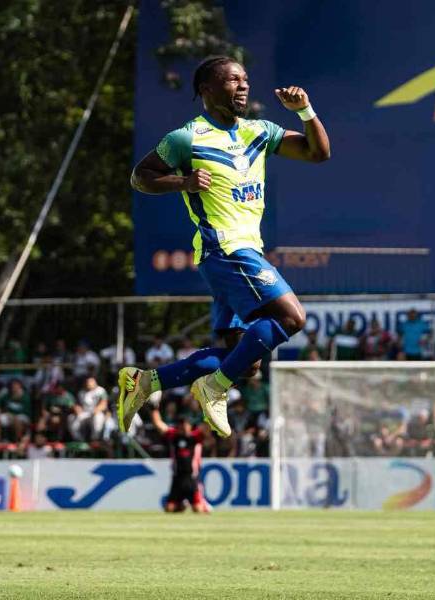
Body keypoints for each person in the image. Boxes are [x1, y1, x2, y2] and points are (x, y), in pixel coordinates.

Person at [118, 55, 329, 437]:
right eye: (233, 80)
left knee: (244, 362)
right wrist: (182, 182)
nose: (243, 86)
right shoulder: (187, 138)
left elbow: (318, 153)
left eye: (245, 79)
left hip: (241, 252)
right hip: (226, 250)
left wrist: (305, 111)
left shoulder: (259, 131)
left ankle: (145, 382)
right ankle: (213, 387)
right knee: (292, 319)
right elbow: (141, 177)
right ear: (206, 89)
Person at [151, 409, 210, 513]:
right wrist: (154, 408)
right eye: (181, 424)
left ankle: (201, 504)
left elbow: (208, 426)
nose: (183, 426)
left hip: (191, 478)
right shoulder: (174, 436)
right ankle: (181, 505)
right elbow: (159, 425)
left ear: (190, 425)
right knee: (169, 510)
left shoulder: (195, 437)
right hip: (177, 479)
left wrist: (211, 409)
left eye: (186, 424)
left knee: (198, 510)